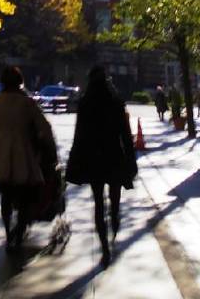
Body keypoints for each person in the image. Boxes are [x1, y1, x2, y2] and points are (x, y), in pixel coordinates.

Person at [66, 66, 137, 268]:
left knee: (98, 202)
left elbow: (79, 135)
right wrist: (131, 161)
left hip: (93, 158)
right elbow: (125, 133)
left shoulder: (86, 103)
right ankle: (115, 222)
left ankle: (104, 248)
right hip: (114, 155)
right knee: (114, 198)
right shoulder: (116, 102)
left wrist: (74, 159)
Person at [0, 65, 57, 252]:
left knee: (6, 195)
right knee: (26, 195)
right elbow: (45, 127)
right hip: (24, 153)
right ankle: (19, 232)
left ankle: (8, 232)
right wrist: (49, 148)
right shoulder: (27, 103)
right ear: (20, 81)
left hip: (2, 151)